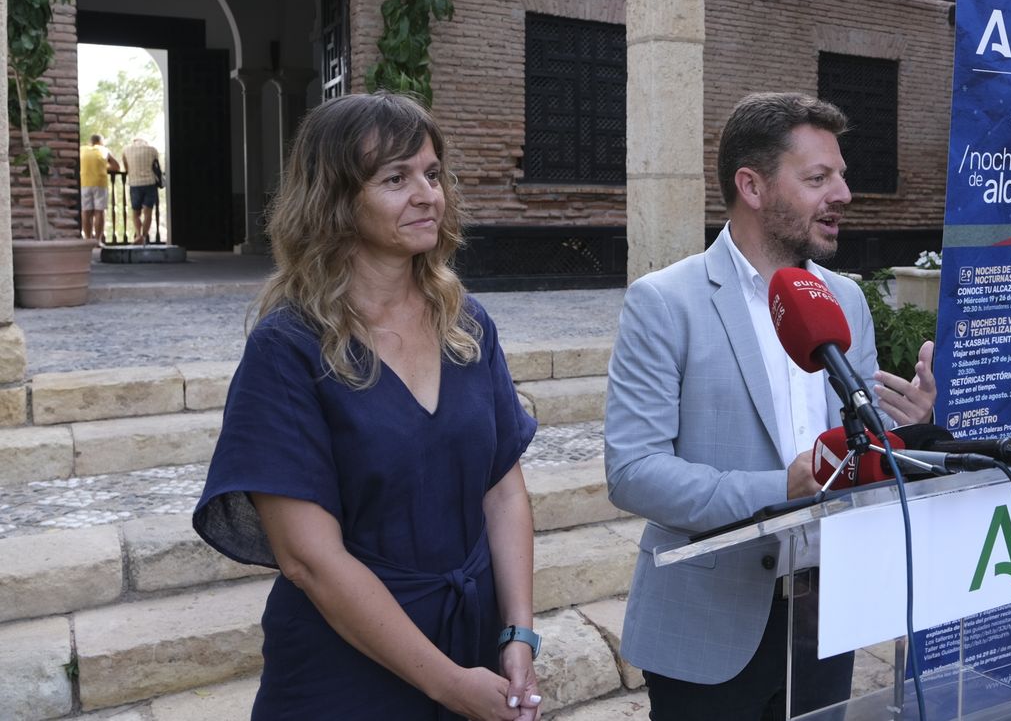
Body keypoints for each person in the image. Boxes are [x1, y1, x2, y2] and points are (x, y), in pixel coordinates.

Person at [193, 93, 542, 721]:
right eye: (396, 179)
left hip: (473, 643)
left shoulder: (465, 324)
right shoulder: (287, 348)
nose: (428, 195)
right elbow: (309, 560)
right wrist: (448, 684)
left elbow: (504, 491)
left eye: (432, 174)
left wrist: (518, 633)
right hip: (344, 670)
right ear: (334, 199)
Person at [604, 92, 937, 720]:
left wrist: (907, 430)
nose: (843, 194)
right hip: (709, 626)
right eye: (818, 178)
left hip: (825, 620)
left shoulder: (846, 300)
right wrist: (780, 488)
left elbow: (859, 449)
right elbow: (633, 472)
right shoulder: (665, 303)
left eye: (841, 176)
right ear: (751, 186)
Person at [120, 136, 162, 245]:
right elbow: (156, 166)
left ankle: (138, 235)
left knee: (136, 213)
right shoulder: (152, 150)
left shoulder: (126, 150)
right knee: (148, 212)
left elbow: (126, 167)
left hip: (134, 184)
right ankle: (144, 236)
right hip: (150, 183)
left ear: (134, 142)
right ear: (145, 142)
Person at [79, 133, 120, 242]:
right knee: (99, 211)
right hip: (100, 183)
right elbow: (116, 166)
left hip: (84, 183)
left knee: (86, 212)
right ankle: (98, 240)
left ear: (90, 142)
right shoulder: (104, 149)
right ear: (101, 142)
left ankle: (88, 240)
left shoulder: (81, 149)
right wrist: (104, 167)